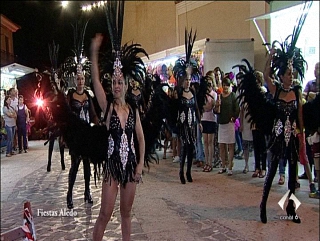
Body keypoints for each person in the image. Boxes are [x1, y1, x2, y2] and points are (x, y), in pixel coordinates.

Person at [90, 2, 147, 239]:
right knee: (105, 213)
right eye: (113, 82)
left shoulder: (133, 109)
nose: (116, 85)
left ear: (125, 84)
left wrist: (140, 163)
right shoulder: (108, 107)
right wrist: (94, 52)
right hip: (112, 167)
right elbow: (94, 81)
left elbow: (141, 139)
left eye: (119, 82)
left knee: (126, 214)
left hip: (131, 165)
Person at [215, 77, 240, 176]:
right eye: (223, 85)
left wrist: (234, 118)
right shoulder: (220, 96)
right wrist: (217, 105)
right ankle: (223, 165)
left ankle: (230, 166)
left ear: (229, 86)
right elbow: (215, 111)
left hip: (229, 124)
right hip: (221, 123)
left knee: (230, 145)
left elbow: (237, 109)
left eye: (226, 85)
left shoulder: (233, 96)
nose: (225, 87)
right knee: (222, 145)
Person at [201, 75, 217, 172]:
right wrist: (205, 107)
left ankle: (210, 163)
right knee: (205, 142)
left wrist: (205, 107)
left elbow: (210, 106)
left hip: (211, 119)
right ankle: (206, 162)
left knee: (210, 142)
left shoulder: (214, 94)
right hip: (204, 119)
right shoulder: (203, 94)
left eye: (210, 84)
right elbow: (202, 105)